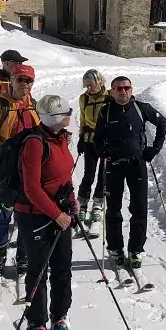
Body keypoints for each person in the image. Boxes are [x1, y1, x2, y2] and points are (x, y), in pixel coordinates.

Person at [16, 94, 78, 330]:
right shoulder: (35, 143)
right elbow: (31, 188)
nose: (70, 116)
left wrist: (72, 202)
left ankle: (60, 317)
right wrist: (57, 215)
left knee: (62, 269)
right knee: (39, 270)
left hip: (60, 214)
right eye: (66, 112)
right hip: (35, 215)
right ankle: (36, 322)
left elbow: (65, 178)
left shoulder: (61, 138)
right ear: (54, 117)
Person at [94, 76, 166, 269]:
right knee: (113, 210)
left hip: (137, 163)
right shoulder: (106, 111)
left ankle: (135, 250)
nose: (123, 91)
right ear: (112, 91)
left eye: (126, 87)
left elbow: (163, 124)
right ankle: (115, 248)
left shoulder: (142, 108)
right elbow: (98, 137)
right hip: (114, 165)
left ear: (131, 89)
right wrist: (102, 150)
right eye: (118, 88)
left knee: (139, 209)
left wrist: (155, 148)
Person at [0, 63, 39, 277]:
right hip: (5, 169)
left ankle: (23, 254)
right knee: (2, 214)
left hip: (28, 169)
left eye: (29, 80)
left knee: (26, 215)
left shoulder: (33, 105)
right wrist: (7, 151)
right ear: (12, 81)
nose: (25, 84)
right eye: (20, 80)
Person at [76, 70, 109, 229]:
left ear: (99, 82)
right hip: (90, 140)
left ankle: (98, 203)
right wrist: (81, 137)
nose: (88, 88)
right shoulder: (84, 98)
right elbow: (82, 118)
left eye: (91, 84)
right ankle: (82, 203)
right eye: (86, 85)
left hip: (105, 141)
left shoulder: (109, 97)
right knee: (88, 174)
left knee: (103, 174)